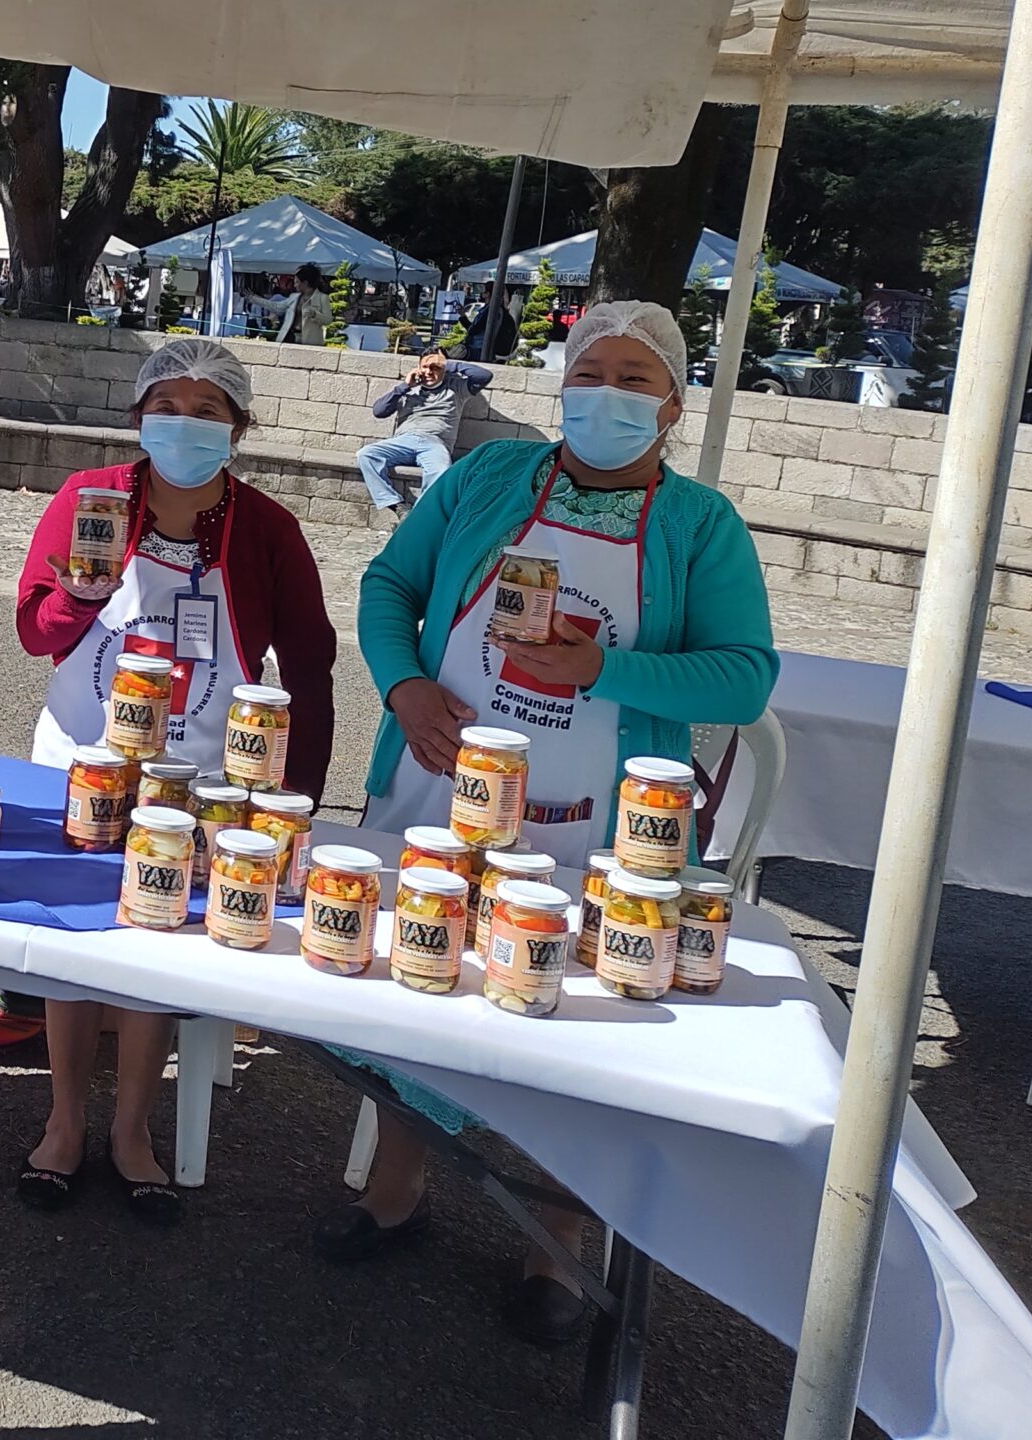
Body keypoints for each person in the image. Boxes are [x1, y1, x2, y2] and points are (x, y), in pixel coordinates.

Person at [318, 300, 777, 1343]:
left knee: (583, 1029)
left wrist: (603, 666)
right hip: (442, 790)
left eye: (632, 378)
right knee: (414, 994)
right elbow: (391, 585)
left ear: (670, 403)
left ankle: (559, 1251)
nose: (606, 394)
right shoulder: (486, 481)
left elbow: (745, 677)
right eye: (590, 372)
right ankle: (393, 1193)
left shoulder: (701, 525)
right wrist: (403, 690)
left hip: (602, 829)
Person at [13, 338, 336, 1216]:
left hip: (200, 776)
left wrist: (291, 802)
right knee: (77, 939)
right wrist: (79, 595)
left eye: (208, 411)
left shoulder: (268, 529)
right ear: (137, 417)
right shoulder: (90, 501)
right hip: (83, 757)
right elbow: (36, 634)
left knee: (155, 949)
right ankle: (66, 1119)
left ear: (238, 428)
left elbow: (310, 662)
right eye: (168, 406)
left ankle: (133, 1130)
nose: (185, 425)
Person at [355, 345, 493, 522]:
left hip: (435, 443)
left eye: (435, 367)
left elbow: (485, 376)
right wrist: (404, 386)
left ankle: (416, 517)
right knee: (366, 454)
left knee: (441, 471)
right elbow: (379, 411)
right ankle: (397, 506)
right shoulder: (409, 389)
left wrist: (448, 364)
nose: (429, 371)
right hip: (404, 441)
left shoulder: (457, 387)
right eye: (425, 366)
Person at [281, 263, 331, 344]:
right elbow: (277, 306)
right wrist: (253, 297)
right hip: (291, 338)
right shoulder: (294, 297)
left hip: (310, 340)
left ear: (305, 283)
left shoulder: (322, 298)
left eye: (297, 282)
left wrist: (315, 314)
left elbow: (328, 320)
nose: (294, 285)